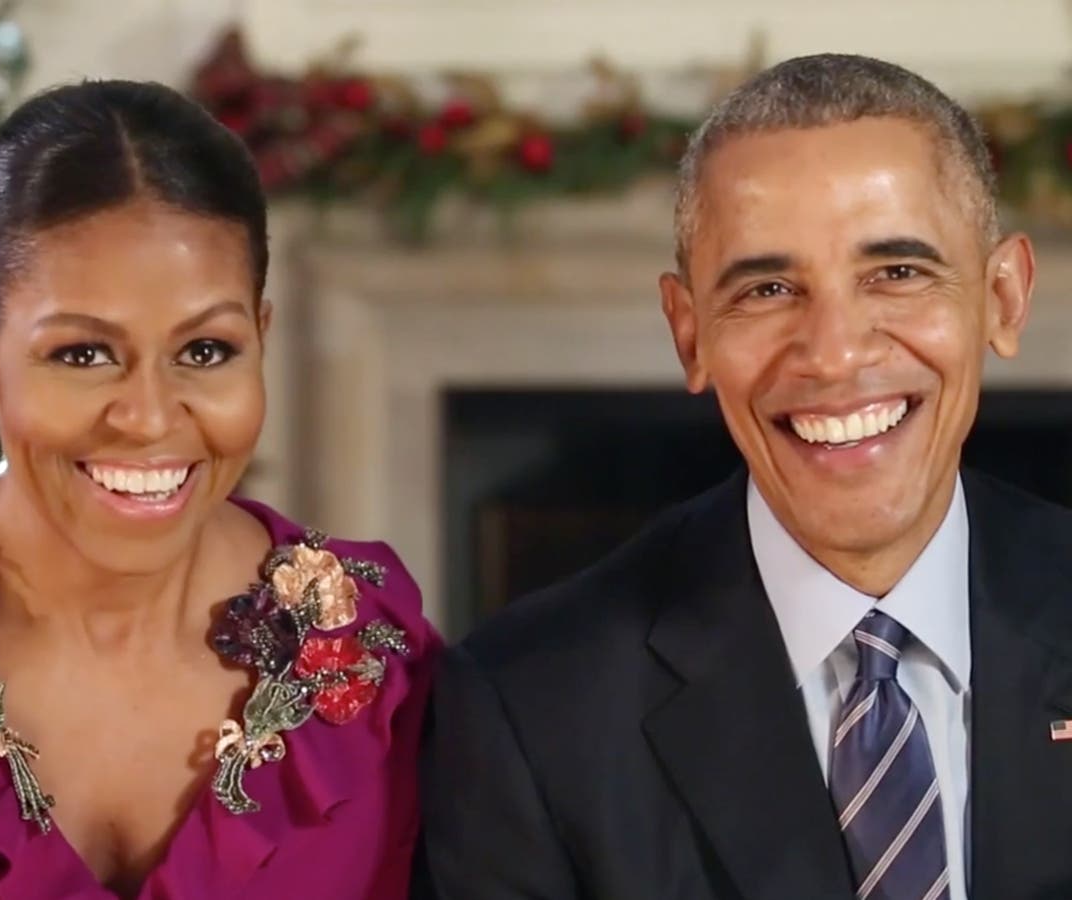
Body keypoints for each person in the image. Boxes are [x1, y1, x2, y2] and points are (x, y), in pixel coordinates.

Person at [420, 53, 1072, 900]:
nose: (835, 354)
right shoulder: (530, 711)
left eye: (898, 273)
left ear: (1004, 297)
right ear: (689, 335)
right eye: (767, 288)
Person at [0, 80, 438, 899]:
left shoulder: (379, 662)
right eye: (82, 354)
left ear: (261, 340)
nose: (146, 418)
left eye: (205, 351)